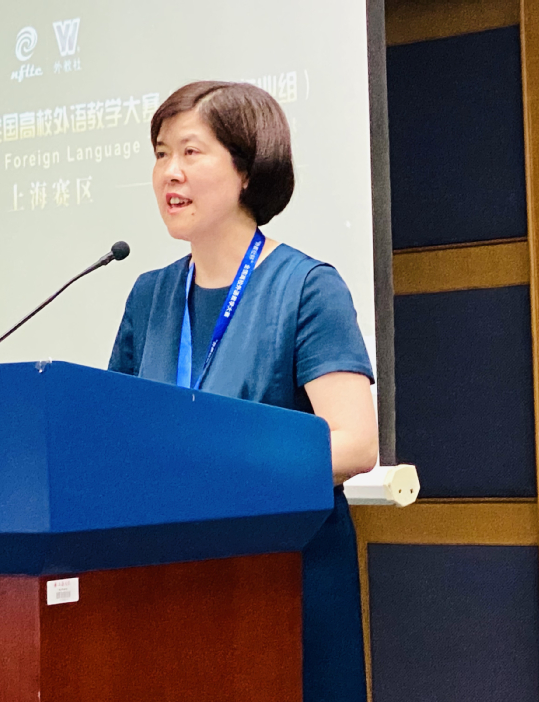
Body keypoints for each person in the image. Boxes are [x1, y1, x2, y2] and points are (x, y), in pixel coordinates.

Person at [109, 80, 378, 702]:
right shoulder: (150, 295)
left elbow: (356, 443)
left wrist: (226, 470)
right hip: (171, 577)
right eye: (160, 154)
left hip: (284, 578)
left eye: (190, 152)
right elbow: (117, 434)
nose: (169, 172)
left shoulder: (306, 287)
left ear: (247, 170)